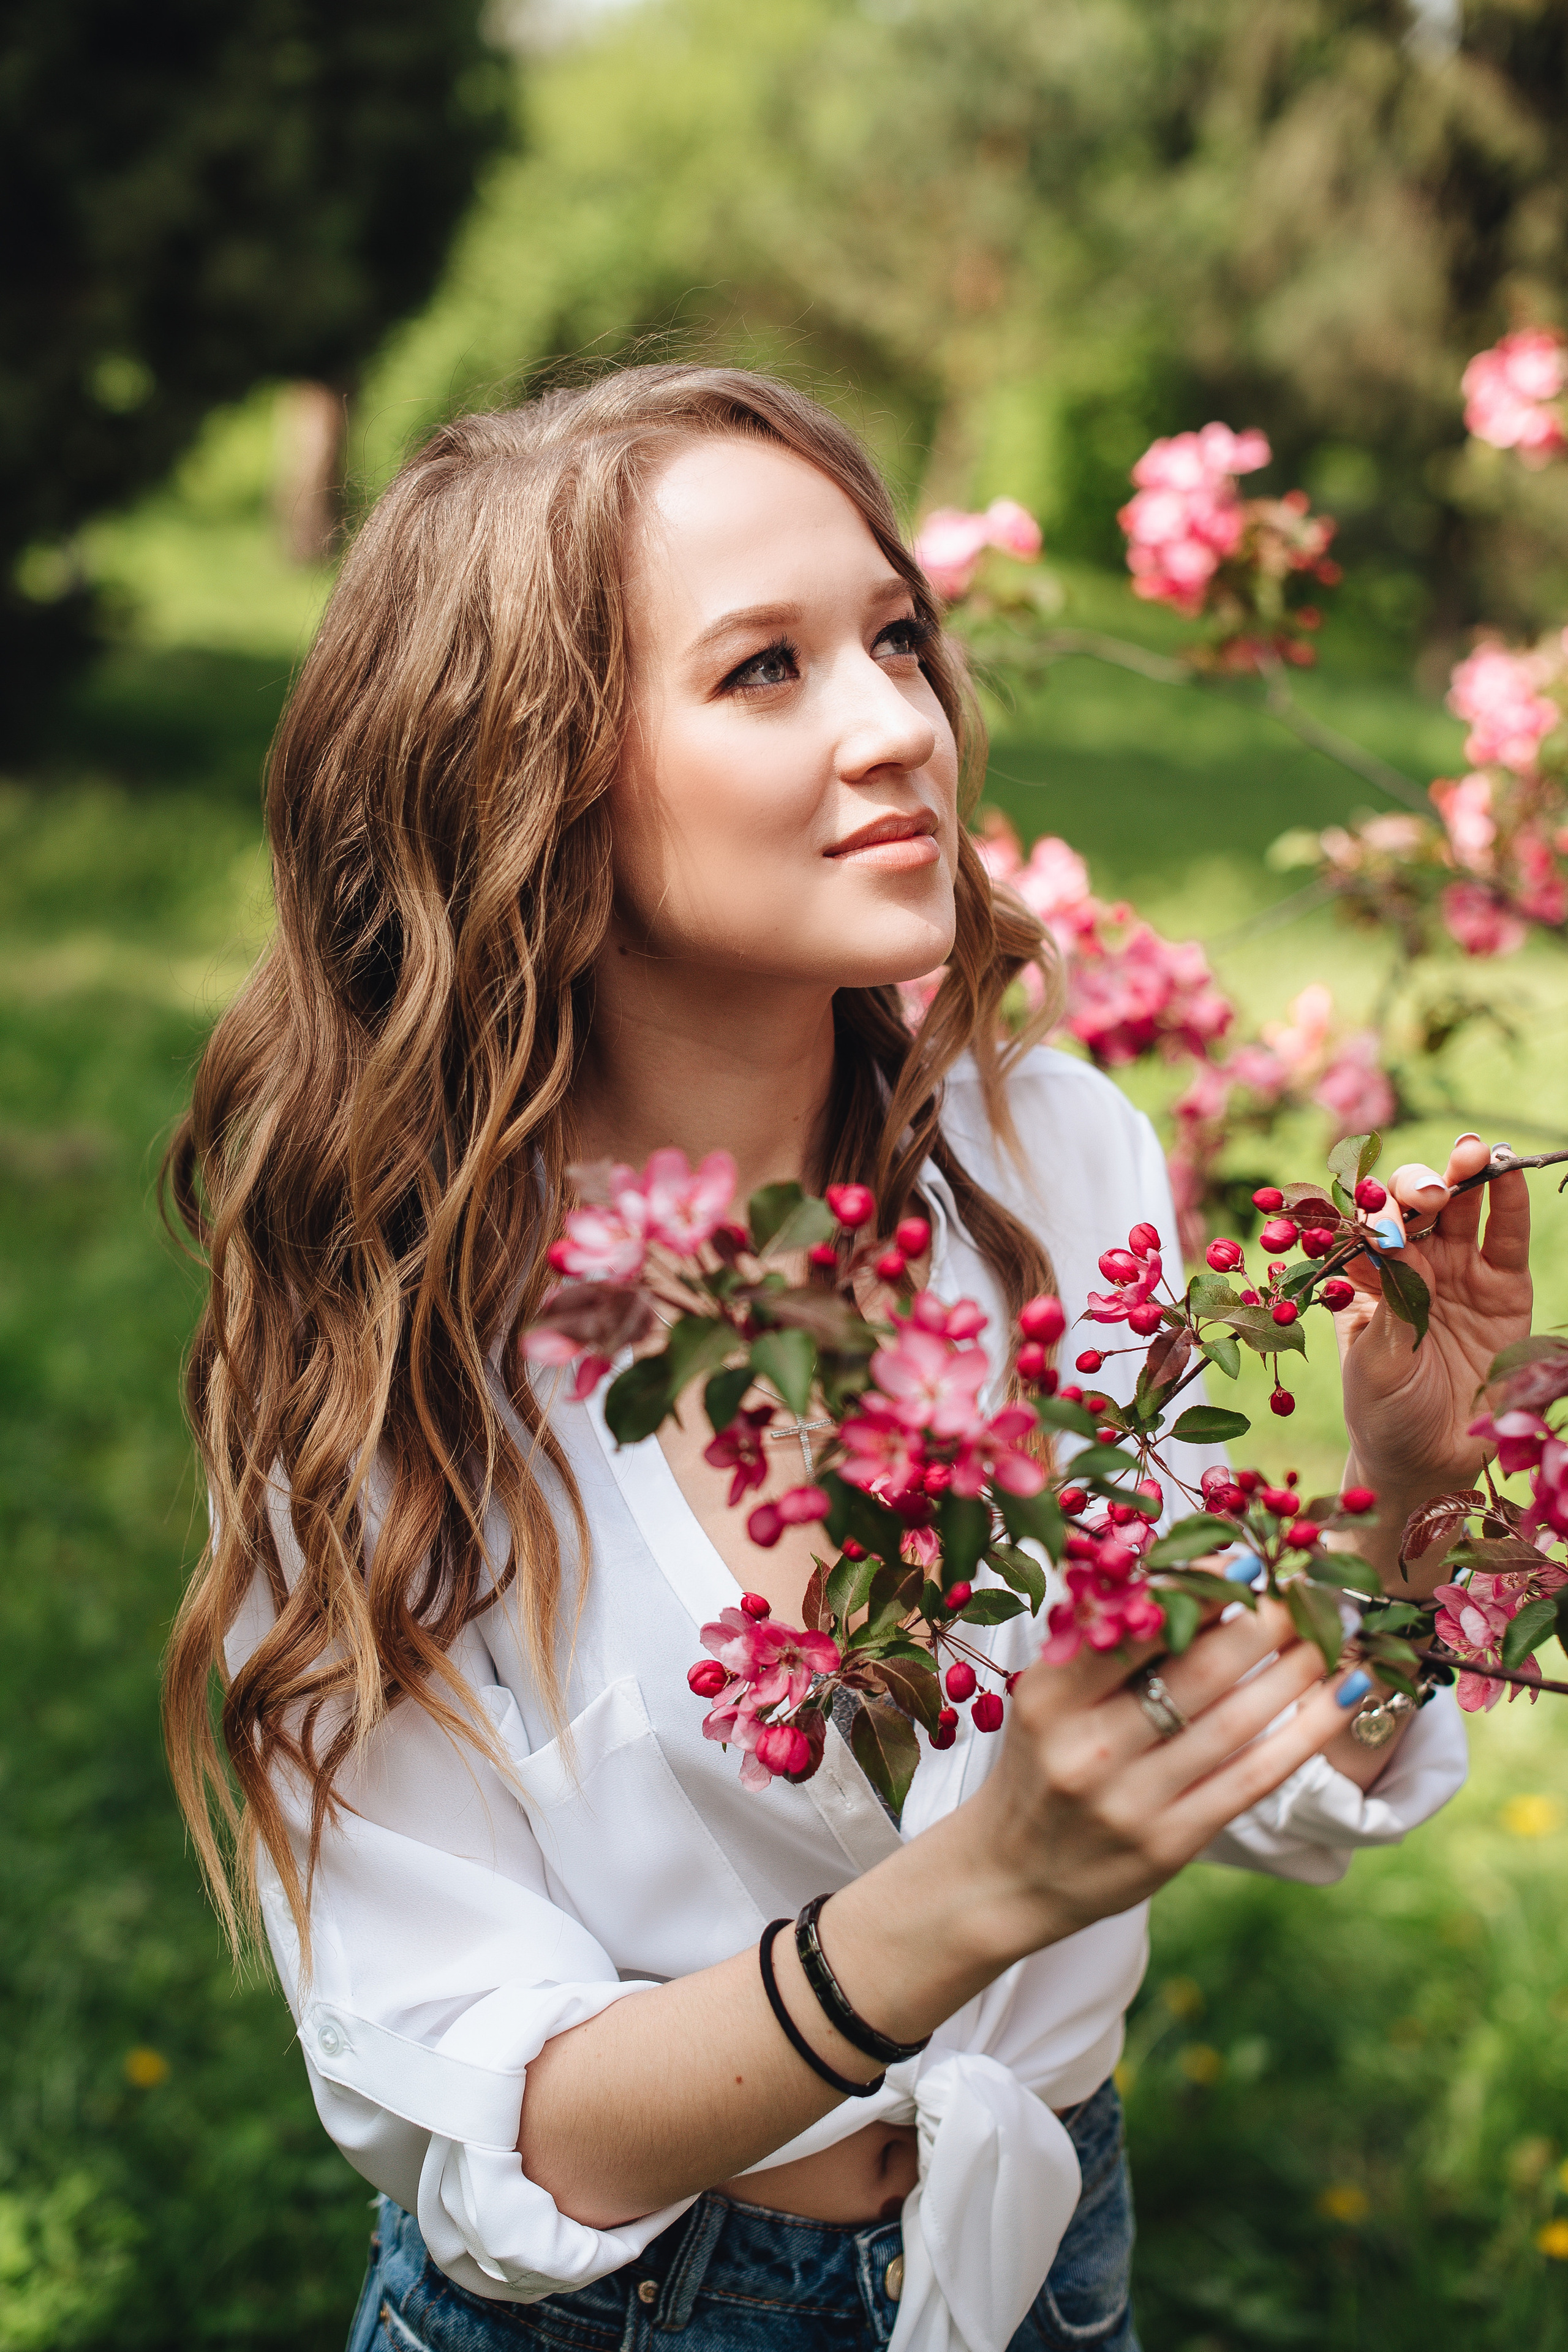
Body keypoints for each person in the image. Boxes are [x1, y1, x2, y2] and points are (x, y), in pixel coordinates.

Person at [162, 366, 1531, 2352]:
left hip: (1041, 2272)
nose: (902, 725)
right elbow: (506, 2130)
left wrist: (1407, 1506)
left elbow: (1241, 1754)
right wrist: (978, 1890)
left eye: (898, 637)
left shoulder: (1053, 1160)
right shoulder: (390, 1340)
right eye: (765, 673)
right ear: (533, 782)